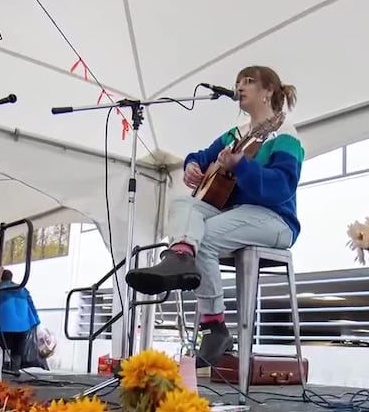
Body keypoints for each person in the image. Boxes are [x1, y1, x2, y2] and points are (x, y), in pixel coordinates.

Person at [125, 65, 304, 367]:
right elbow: (201, 155)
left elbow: (281, 188)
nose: (239, 87)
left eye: (248, 82)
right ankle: (180, 255)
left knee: (205, 237)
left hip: (275, 220)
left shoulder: (285, 135)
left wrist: (241, 167)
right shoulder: (236, 135)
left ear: (269, 90)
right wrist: (193, 166)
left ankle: (213, 325)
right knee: (183, 205)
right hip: (237, 216)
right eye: (237, 83)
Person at [0, 269, 41, 372]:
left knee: (4, 349)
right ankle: (15, 370)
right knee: (17, 350)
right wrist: (36, 321)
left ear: (0, 278)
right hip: (23, 325)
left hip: (4, 326)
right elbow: (31, 305)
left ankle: (5, 370)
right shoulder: (22, 288)